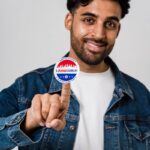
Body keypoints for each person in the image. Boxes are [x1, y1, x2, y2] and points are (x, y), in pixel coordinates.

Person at [0, 0, 150, 149]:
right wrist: (28, 121)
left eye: (110, 24)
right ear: (69, 21)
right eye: (89, 20)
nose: (99, 34)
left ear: (118, 30)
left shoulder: (140, 94)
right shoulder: (27, 86)